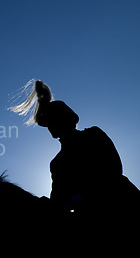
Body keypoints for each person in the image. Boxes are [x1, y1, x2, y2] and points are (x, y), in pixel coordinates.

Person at [10, 79, 138, 216]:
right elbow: (59, 202)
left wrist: (79, 200)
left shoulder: (93, 135)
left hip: (124, 203)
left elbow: (113, 171)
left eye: (52, 122)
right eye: (49, 124)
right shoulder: (57, 163)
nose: (51, 127)